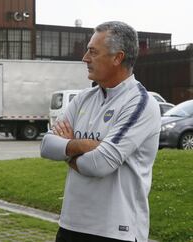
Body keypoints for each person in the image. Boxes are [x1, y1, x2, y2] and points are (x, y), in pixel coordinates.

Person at [40, 21, 160, 242]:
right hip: (70, 226)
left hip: (115, 231)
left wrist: (67, 152)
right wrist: (83, 146)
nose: (85, 58)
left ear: (117, 57)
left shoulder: (140, 103)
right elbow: (46, 146)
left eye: (93, 52)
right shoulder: (84, 98)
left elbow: (99, 164)